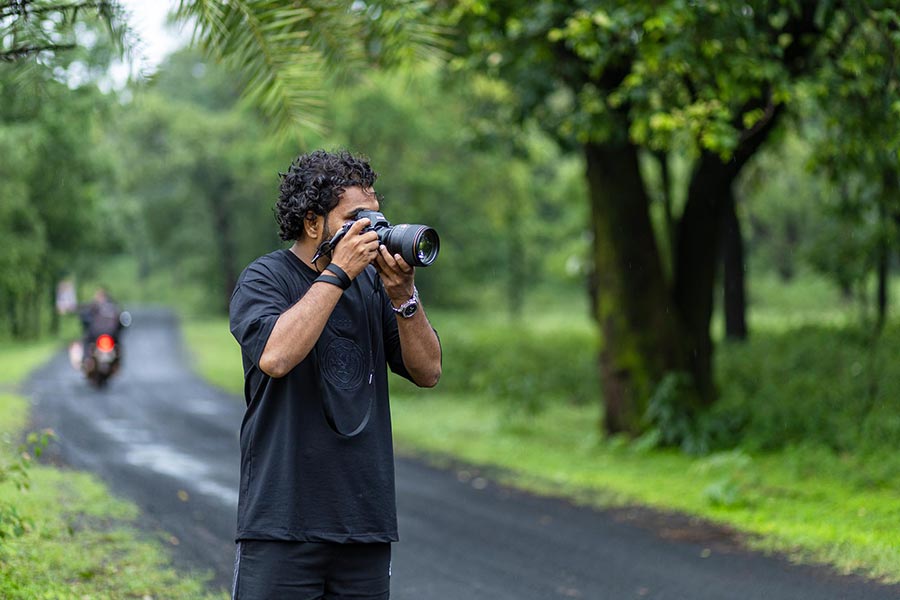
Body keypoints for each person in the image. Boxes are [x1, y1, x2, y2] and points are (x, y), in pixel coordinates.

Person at [228, 149, 442, 599]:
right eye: (357, 217)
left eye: (377, 217)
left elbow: (428, 371)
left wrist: (404, 297)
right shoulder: (264, 278)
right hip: (282, 523)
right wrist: (339, 271)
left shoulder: (374, 286)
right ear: (312, 223)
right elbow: (276, 356)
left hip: (364, 523)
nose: (373, 229)